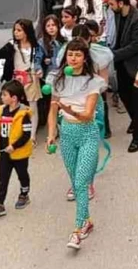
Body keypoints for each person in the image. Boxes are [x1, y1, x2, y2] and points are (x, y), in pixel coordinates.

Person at [46, 39, 107, 250]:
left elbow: (88, 114)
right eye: (70, 54)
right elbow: (52, 111)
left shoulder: (93, 82)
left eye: (78, 55)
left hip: (87, 133)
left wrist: (69, 109)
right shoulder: (57, 79)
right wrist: (51, 134)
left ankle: (78, 230)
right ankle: (87, 221)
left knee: (81, 183)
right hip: (67, 135)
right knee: (76, 182)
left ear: (84, 58)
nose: (73, 58)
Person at [107, 0, 138, 153]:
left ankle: (137, 138)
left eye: (111, 4)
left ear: (121, 3)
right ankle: (134, 120)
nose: (110, 7)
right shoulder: (117, 15)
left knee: (137, 102)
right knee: (124, 95)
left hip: (136, 66)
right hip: (122, 64)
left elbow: (135, 46)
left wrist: (112, 55)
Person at [0, 80, 33, 218]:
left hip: (20, 153)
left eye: (4, 95)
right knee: (2, 178)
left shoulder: (24, 114)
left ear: (14, 98)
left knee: (22, 175)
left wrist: (14, 146)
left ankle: (24, 194)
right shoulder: (0, 110)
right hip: (4, 152)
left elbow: (26, 135)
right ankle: (0, 203)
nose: (2, 97)